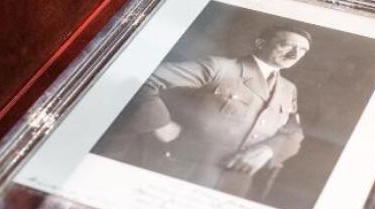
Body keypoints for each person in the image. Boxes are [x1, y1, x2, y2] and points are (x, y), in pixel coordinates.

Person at [91, 25, 310, 199]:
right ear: (261, 43)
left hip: (233, 187)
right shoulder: (220, 68)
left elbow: (294, 131)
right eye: (286, 45)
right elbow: (141, 77)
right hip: (181, 174)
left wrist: (269, 150)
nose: (295, 54)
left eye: (302, 51)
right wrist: (161, 123)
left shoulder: (288, 89)